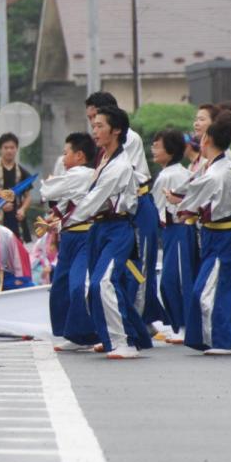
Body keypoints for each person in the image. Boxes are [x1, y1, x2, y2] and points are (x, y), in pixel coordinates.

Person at [169, 110, 231, 355]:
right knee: (217, 287)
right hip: (214, 235)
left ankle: (224, 341)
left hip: (223, 237)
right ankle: (226, 337)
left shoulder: (221, 170)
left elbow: (197, 195)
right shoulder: (216, 167)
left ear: (206, 140)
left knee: (210, 290)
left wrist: (182, 206)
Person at [82, 104, 145, 358]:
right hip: (100, 227)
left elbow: (95, 198)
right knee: (100, 283)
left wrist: (62, 220)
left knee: (104, 281)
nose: (94, 131)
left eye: (100, 126)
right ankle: (115, 336)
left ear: (116, 130)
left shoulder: (120, 165)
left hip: (118, 227)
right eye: (93, 126)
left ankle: (124, 341)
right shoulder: (104, 158)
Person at [41, 133, 100, 351]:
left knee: (77, 285)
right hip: (69, 237)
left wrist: (48, 183)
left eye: (66, 153)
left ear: (80, 156)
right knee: (61, 286)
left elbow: (47, 191)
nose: (63, 158)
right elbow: (66, 204)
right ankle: (74, 334)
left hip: (85, 237)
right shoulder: (78, 176)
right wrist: (54, 221)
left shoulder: (80, 173)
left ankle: (89, 333)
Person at [151, 128, 194, 344]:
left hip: (179, 229)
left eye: (158, 145)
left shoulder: (173, 174)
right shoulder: (169, 173)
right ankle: (179, 325)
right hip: (169, 232)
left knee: (175, 279)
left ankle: (185, 326)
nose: (154, 149)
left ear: (171, 150)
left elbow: (159, 208)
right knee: (171, 279)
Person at [0, 133, 33, 241]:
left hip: (17, 220)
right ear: (0, 149)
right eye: (6, 148)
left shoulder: (23, 172)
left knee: (17, 254)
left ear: (16, 149)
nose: (9, 151)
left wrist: (23, 209)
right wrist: (0, 204)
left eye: (12, 148)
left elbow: (28, 196)